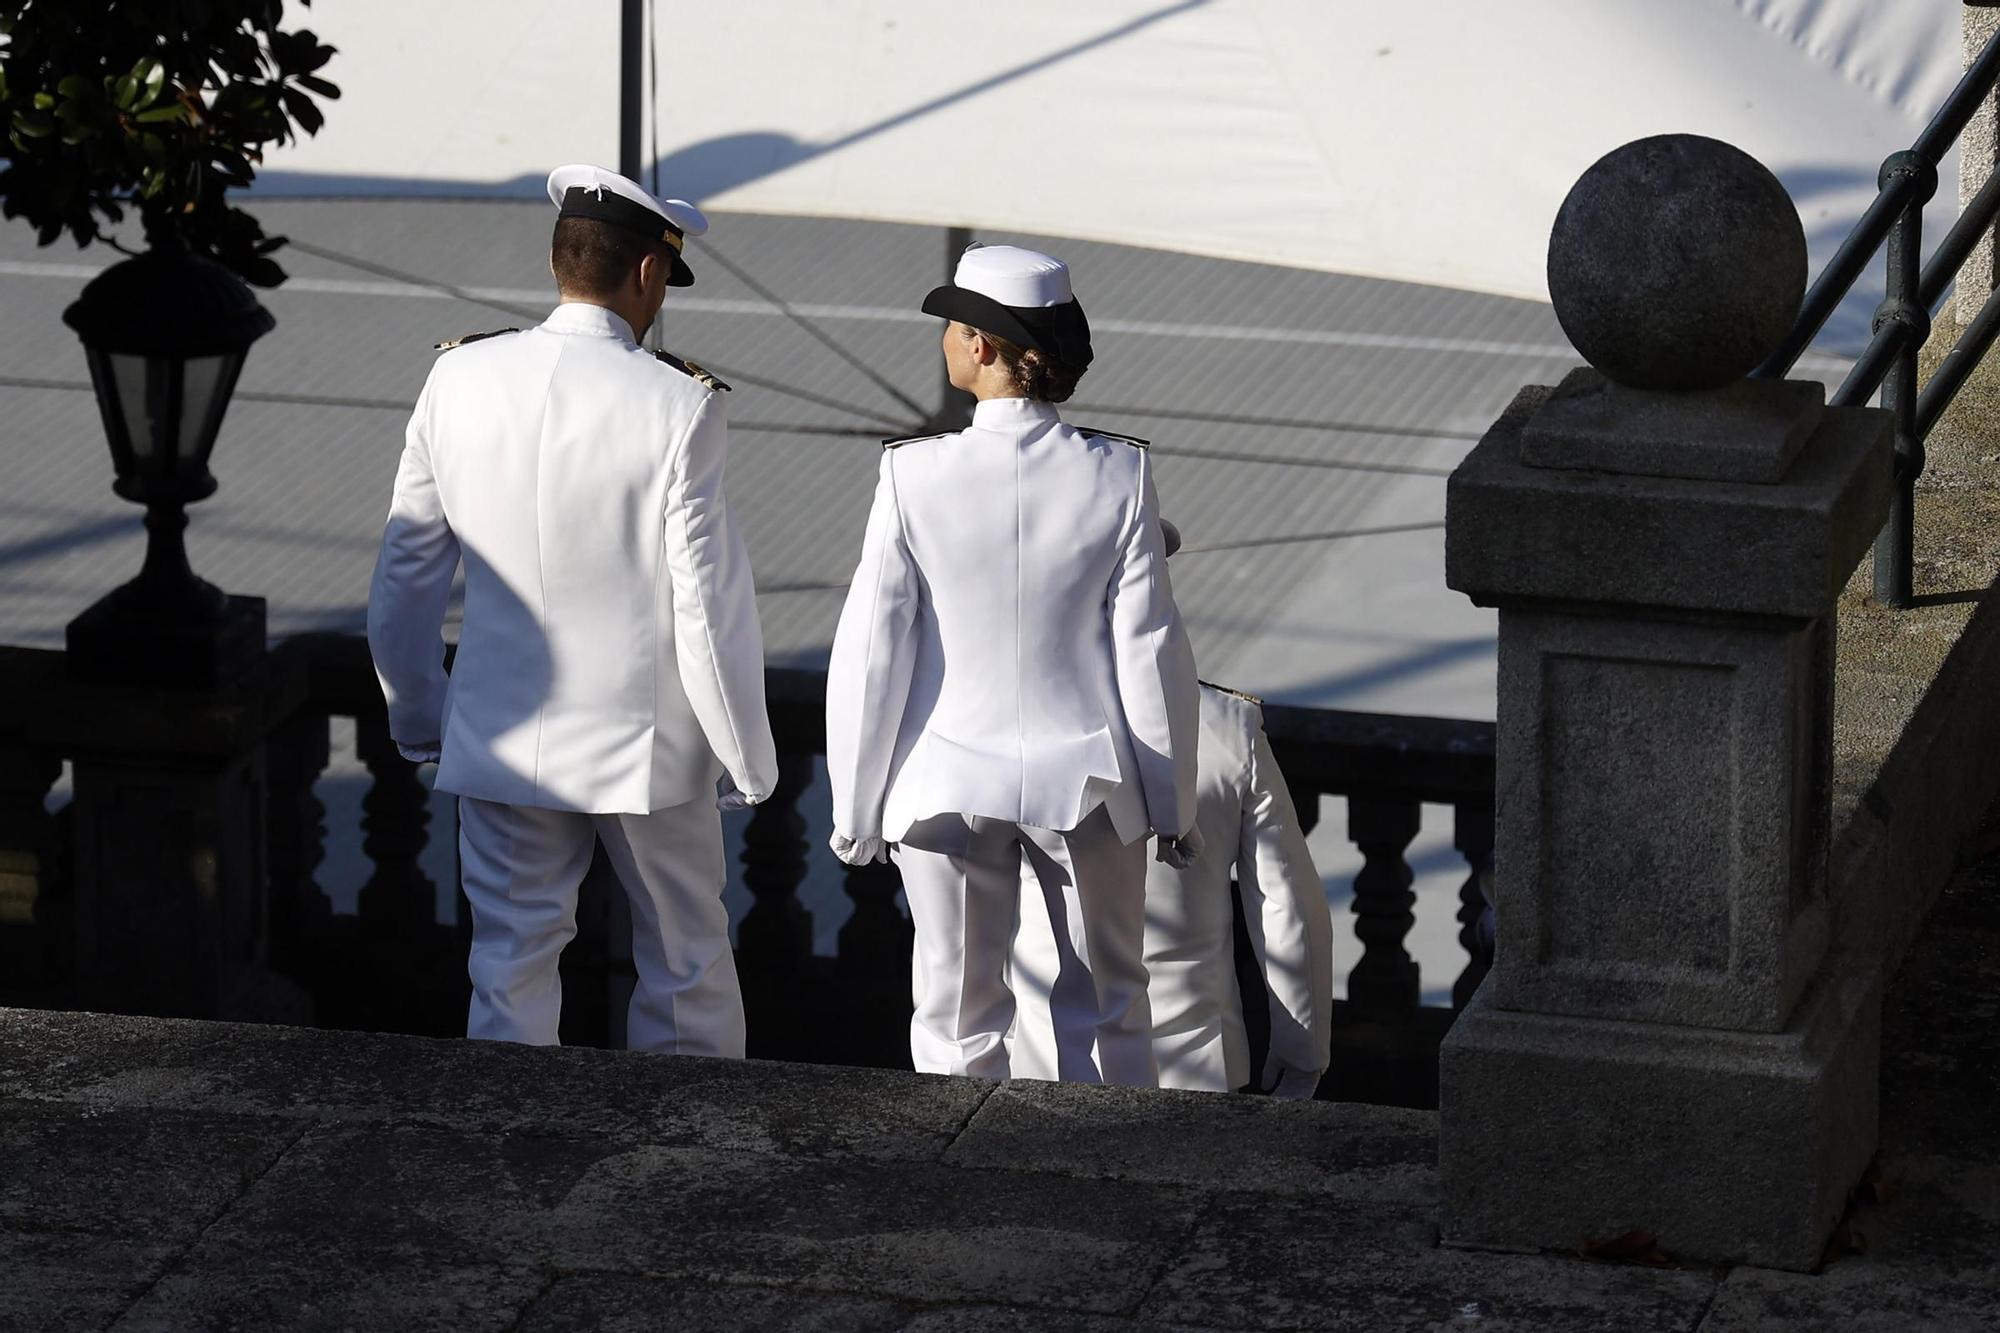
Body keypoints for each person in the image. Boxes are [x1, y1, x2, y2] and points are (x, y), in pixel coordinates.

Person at [367, 163, 776, 1055]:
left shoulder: (458, 377)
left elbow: (406, 577)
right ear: (648, 273)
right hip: (649, 742)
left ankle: (505, 1155)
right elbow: (706, 602)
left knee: (508, 960)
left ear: (560, 263)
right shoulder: (680, 404)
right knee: (686, 959)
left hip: (504, 731)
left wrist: (422, 717)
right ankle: (694, 1155)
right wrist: (744, 752)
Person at [826, 243, 1201, 1085]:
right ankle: (1109, 1183)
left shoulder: (911, 474)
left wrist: (855, 805)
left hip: (947, 777)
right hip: (1089, 778)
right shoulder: (1122, 474)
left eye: (954, 329)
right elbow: (1149, 651)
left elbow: (873, 650)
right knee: (1109, 1008)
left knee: (955, 1015)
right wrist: (1172, 805)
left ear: (984, 348)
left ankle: (956, 1187)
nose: (947, 344)